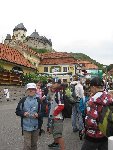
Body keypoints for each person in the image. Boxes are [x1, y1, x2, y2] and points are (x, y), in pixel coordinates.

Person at [81, 77, 113, 150]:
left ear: (94, 87)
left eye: (91, 88)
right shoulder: (109, 97)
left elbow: (90, 122)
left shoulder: (92, 100)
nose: (90, 90)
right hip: (106, 133)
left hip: (93, 135)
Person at [16, 83, 42, 150]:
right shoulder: (23, 100)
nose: (31, 91)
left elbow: (44, 112)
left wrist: (38, 115)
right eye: (29, 89)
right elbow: (17, 111)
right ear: (26, 91)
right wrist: (23, 113)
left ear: (35, 90)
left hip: (36, 126)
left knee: (34, 144)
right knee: (27, 145)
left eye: (32, 89)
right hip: (26, 126)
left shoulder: (39, 100)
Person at [48, 81, 65, 150]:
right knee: (54, 132)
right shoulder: (55, 92)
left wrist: (54, 114)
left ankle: (62, 148)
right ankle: (55, 143)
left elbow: (61, 106)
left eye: (54, 83)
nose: (52, 84)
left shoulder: (58, 93)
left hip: (57, 117)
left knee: (58, 134)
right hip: (54, 116)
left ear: (58, 85)